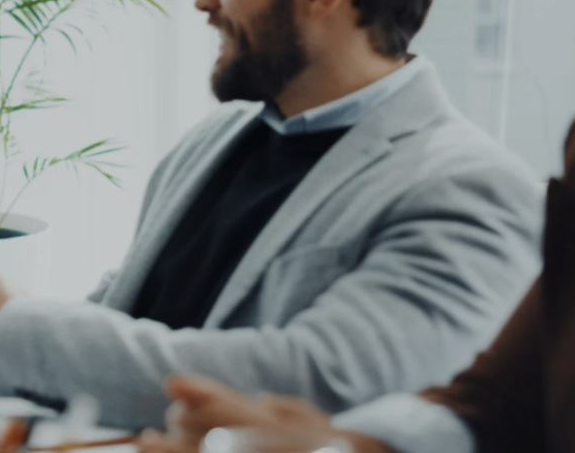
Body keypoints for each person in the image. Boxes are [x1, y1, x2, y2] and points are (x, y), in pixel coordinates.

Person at [0, 0, 543, 428]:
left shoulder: (472, 189)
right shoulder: (210, 144)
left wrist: (15, 327)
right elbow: (119, 319)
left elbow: (320, 382)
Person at [137, 118, 575, 453]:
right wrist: (341, 445)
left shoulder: (462, 175)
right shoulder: (214, 139)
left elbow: (321, 371)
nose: (206, 2)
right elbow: (494, 405)